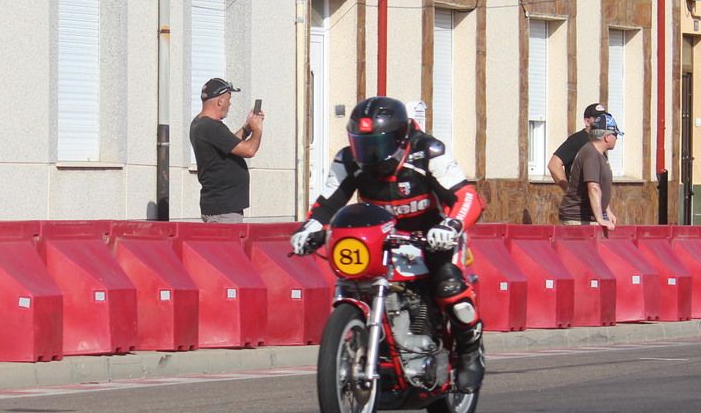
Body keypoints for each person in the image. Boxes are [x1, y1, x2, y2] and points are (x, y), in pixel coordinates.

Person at [288, 96, 487, 393]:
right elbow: (328, 203)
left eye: (377, 144)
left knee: (449, 286)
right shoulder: (348, 160)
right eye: (362, 144)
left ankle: (470, 352)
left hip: (432, 237)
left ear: (400, 137)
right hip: (381, 240)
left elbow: (467, 197)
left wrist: (451, 225)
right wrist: (310, 228)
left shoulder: (428, 152)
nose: (369, 154)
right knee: (352, 282)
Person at [189, 77, 263, 223]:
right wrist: (257, 130)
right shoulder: (211, 127)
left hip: (221, 208)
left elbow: (229, 143)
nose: (230, 103)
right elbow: (249, 150)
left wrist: (247, 128)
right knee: (227, 247)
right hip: (223, 211)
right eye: (229, 99)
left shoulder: (200, 123)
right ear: (220, 101)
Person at [558, 111, 621, 229]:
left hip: (589, 217)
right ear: (607, 137)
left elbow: (600, 187)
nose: (616, 139)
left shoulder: (599, 154)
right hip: (578, 219)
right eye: (615, 135)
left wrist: (607, 211)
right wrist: (600, 219)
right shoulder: (591, 154)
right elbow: (593, 188)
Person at [548, 102, 608, 190]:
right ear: (587, 121)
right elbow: (554, 165)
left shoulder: (599, 141)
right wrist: (569, 191)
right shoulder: (577, 140)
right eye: (597, 118)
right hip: (581, 201)